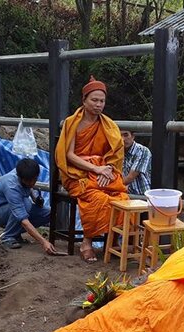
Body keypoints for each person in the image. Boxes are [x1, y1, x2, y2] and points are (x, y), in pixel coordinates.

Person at [56, 76, 128, 263]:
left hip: (103, 172)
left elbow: (115, 154)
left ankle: (112, 242)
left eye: (102, 101)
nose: (98, 105)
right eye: (94, 100)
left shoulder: (108, 125)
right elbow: (69, 155)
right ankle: (86, 243)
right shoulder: (73, 122)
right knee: (98, 198)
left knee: (121, 198)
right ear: (84, 100)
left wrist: (108, 169)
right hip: (77, 174)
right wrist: (96, 170)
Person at [0, 158, 57, 254]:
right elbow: (23, 220)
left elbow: (28, 187)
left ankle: (15, 233)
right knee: (26, 205)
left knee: (49, 213)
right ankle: (8, 237)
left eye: (33, 180)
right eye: (28, 181)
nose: (31, 183)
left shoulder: (23, 172)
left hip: (11, 207)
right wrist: (43, 242)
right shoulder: (11, 186)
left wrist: (34, 198)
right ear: (20, 177)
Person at [121, 129, 152, 196]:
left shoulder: (143, 151)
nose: (122, 139)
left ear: (133, 136)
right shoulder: (116, 151)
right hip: (124, 194)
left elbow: (130, 178)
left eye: (126, 135)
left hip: (142, 194)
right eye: (119, 135)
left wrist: (112, 185)